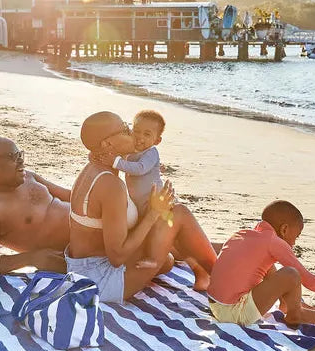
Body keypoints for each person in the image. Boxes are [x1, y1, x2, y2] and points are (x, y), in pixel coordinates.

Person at [66, 111, 217, 302]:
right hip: (100, 280)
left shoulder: (94, 167)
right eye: (126, 129)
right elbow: (117, 257)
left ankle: (203, 271)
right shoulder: (110, 185)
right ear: (108, 144)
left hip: (84, 268)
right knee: (178, 213)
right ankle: (223, 280)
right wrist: (153, 213)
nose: (133, 134)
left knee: (167, 260)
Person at [103, 109, 210, 289]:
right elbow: (119, 157)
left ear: (157, 140)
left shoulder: (151, 154)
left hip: (158, 202)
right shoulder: (131, 151)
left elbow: (139, 169)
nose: (140, 138)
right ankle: (194, 266)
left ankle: (165, 262)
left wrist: (115, 162)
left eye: (147, 134)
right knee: (169, 240)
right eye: (136, 131)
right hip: (142, 206)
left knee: (168, 236)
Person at [208, 200, 315, 328]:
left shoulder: (243, 234)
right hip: (235, 314)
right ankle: (295, 314)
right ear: (284, 229)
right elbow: (307, 279)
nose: (295, 243)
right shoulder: (273, 242)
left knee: (268, 265)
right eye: (296, 236)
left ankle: (287, 305)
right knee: (291, 274)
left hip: (215, 305)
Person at [0, 136, 71, 275]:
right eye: (12, 157)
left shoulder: (29, 177)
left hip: (93, 222)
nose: (21, 161)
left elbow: (72, 197)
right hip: (81, 250)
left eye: (20, 155)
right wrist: (31, 258)